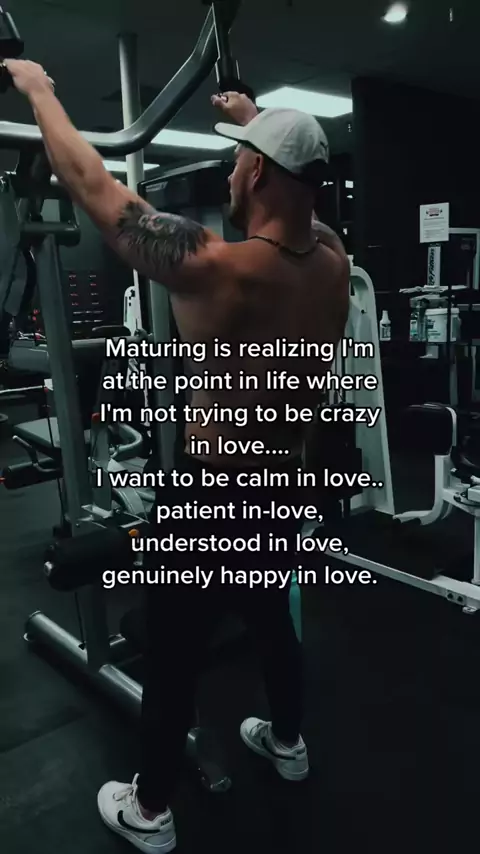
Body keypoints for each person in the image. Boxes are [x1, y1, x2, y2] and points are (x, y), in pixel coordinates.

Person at [4, 59, 350, 853]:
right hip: (282, 488)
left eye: (238, 161)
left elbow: (94, 186)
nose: (229, 173)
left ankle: (151, 809)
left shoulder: (218, 269)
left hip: (213, 495)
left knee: (173, 650)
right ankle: (288, 743)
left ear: (257, 172)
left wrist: (39, 89)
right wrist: (261, 125)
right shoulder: (334, 265)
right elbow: (305, 203)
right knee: (271, 618)